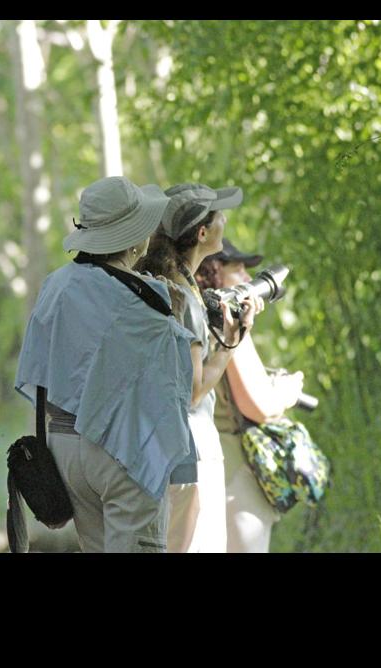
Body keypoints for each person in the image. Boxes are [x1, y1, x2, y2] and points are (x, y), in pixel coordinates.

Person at [15, 176, 198, 553]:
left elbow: (38, 368)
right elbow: (172, 386)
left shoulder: (56, 285)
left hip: (65, 447)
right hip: (123, 450)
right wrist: (174, 319)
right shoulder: (149, 299)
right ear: (133, 240)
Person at [136, 183, 260, 553]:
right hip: (192, 439)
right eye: (219, 216)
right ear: (203, 233)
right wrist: (231, 341)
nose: (226, 221)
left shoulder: (157, 285)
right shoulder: (183, 297)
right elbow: (192, 391)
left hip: (155, 438)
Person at [195, 240, 305, 552]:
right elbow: (258, 405)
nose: (247, 278)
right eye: (239, 269)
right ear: (214, 272)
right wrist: (287, 391)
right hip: (231, 475)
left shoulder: (186, 313)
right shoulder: (229, 322)